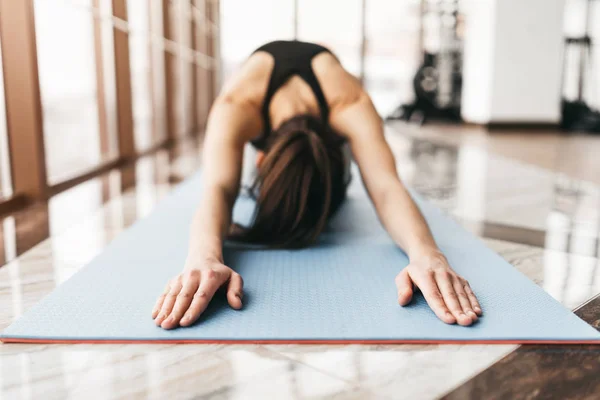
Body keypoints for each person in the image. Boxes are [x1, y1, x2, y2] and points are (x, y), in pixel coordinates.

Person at [151, 40, 482, 330]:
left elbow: (385, 186)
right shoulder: (236, 104)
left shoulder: (350, 104)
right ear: (263, 160)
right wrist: (203, 258)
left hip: (328, 97)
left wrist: (427, 255)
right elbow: (219, 190)